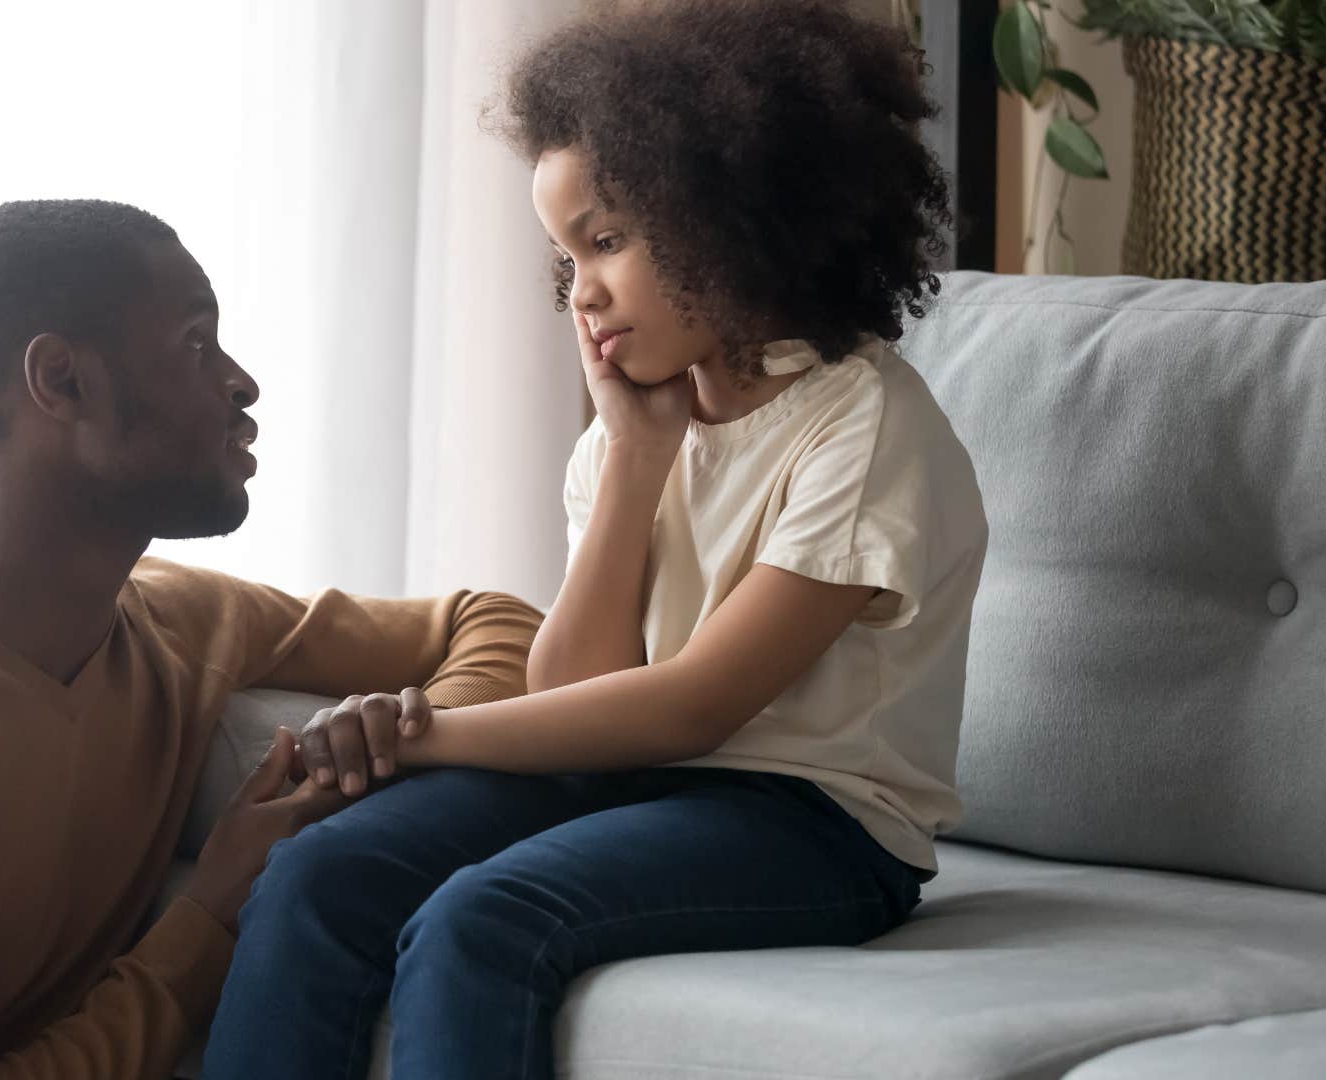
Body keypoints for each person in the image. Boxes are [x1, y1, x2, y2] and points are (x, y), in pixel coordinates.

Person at [201, 2, 988, 1077]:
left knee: (485, 918)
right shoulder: (636, 437)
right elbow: (573, 686)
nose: (583, 293)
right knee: (315, 872)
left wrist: (422, 735)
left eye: (607, 240)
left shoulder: (864, 428)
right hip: (639, 784)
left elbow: (692, 704)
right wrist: (631, 463)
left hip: (818, 826)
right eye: (565, 258)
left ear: (728, 211)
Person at [0, 199, 542, 1079]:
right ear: (63, 382)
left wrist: (409, 733)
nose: (242, 383)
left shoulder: (177, 620)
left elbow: (499, 623)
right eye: (197, 342)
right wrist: (209, 920)